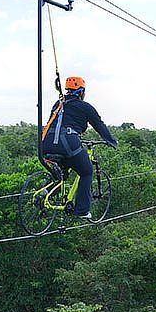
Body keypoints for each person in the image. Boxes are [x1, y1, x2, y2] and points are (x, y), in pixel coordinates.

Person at [41, 76, 117, 218]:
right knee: (86, 171)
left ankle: (48, 191)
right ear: (81, 92)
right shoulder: (85, 107)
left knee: (63, 169)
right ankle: (82, 211)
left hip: (46, 143)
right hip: (68, 142)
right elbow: (99, 125)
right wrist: (111, 141)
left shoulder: (58, 103)